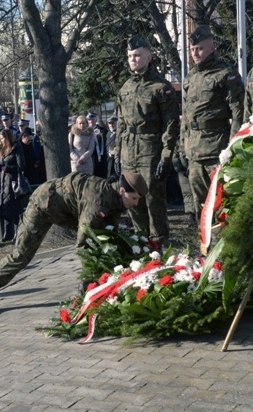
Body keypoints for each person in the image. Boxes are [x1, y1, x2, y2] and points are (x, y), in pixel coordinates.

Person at [0, 172, 148, 316]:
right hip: (42, 206)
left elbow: (109, 238)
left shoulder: (116, 202)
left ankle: (92, 289)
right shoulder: (98, 201)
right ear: (123, 191)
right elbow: (84, 244)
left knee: (103, 240)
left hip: (66, 210)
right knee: (21, 255)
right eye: (134, 198)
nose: (136, 203)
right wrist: (88, 282)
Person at [117, 36, 180, 246]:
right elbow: (121, 124)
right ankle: (140, 247)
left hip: (150, 152)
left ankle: (159, 248)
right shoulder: (125, 87)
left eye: (137, 55)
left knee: (154, 201)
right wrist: (118, 154)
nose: (132, 59)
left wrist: (166, 156)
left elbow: (170, 125)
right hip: (129, 154)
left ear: (149, 57)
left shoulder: (162, 87)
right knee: (133, 203)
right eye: (129, 56)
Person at [181, 25, 245, 222]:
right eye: (192, 49)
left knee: (221, 205)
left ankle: (225, 250)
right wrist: (182, 146)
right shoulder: (190, 77)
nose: (195, 53)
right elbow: (185, 116)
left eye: (199, 48)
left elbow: (238, 111)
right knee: (201, 209)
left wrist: (231, 146)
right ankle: (205, 251)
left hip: (216, 150)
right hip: (194, 153)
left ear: (211, 47)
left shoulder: (225, 73)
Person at [0, 128, 26, 242]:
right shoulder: (1, 149)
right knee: (4, 207)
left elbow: (21, 166)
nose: (1, 140)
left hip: (12, 181)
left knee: (13, 208)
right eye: (0, 138)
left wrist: (8, 168)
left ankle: (16, 232)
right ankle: (6, 232)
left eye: (3, 138)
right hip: (3, 181)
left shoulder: (16, 148)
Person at [86, 113, 108, 178]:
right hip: (89, 155)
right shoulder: (85, 131)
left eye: (92, 119)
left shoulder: (103, 130)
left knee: (101, 174)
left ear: (96, 119)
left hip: (100, 156)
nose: (91, 121)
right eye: (89, 119)